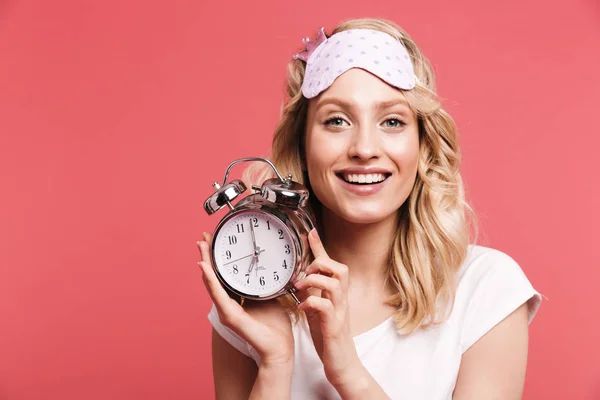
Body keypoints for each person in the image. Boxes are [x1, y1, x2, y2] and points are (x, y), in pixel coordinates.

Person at [196, 17, 542, 400]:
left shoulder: (486, 291)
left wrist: (348, 372)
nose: (364, 148)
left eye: (392, 121)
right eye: (337, 120)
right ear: (304, 148)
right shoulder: (249, 304)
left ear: (422, 147)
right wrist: (275, 364)